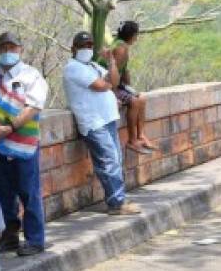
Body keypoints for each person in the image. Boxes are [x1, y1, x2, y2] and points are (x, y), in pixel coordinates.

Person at [0, 32, 49, 257]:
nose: (8, 51)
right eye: (4, 47)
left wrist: (11, 127)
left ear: (20, 50)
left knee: (29, 193)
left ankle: (35, 239)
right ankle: (9, 236)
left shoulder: (31, 76)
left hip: (24, 146)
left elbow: (34, 107)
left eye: (12, 47)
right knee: (2, 193)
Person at [63, 31, 141, 216]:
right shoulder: (73, 68)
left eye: (89, 45)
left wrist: (112, 61)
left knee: (115, 159)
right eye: (82, 46)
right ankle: (116, 203)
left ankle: (118, 198)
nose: (86, 49)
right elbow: (102, 86)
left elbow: (113, 82)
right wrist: (108, 81)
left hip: (106, 118)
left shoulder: (93, 66)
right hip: (93, 122)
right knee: (108, 161)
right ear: (73, 49)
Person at [97, 21, 154, 154]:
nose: (136, 38)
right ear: (132, 35)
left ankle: (141, 135)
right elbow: (114, 73)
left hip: (117, 84)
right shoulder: (121, 48)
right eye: (136, 35)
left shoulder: (117, 42)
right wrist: (115, 92)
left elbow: (124, 71)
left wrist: (129, 87)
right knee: (134, 101)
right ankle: (132, 140)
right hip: (109, 86)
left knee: (142, 99)